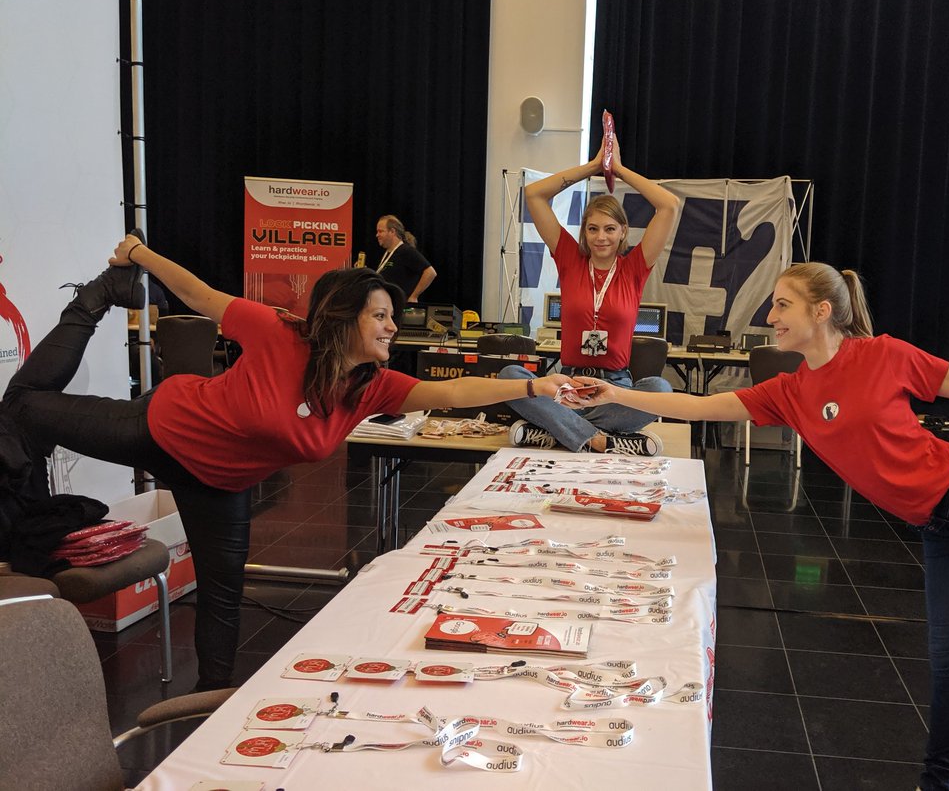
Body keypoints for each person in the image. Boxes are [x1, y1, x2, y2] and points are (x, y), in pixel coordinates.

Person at [572, 262, 949, 791]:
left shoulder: (885, 355)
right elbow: (697, 404)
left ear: (823, 311)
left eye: (783, 304)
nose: (771, 316)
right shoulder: (790, 390)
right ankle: (938, 782)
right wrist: (613, 399)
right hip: (945, 528)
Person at [1, 232, 575, 690]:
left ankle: (211, 701)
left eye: (392, 318)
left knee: (223, 595)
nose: (392, 326)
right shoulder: (280, 332)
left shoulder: (371, 388)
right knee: (24, 408)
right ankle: (97, 295)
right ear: (345, 316)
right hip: (159, 428)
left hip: (221, 483)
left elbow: (450, 394)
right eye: (380, 315)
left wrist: (535, 387)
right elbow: (201, 296)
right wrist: (138, 254)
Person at [500, 132, 679, 457]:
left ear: (623, 232)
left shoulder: (635, 267)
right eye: (593, 228)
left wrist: (619, 169)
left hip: (614, 387)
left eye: (610, 229)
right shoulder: (570, 258)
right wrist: (595, 165)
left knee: (660, 389)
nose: (601, 237)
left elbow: (668, 205)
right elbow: (535, 194)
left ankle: (556, 430)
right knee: (509, 376)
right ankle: (599, 439)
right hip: (565, 383)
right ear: (584, 231)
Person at [374, 214, 436, 304]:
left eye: (380, 231)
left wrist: (414, 296)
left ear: (392, 231)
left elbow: (430, 272)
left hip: (399, 306)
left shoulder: (405, 251)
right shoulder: (389, 253)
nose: (377, 235)